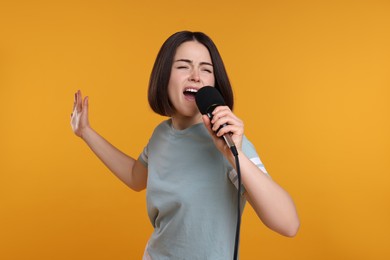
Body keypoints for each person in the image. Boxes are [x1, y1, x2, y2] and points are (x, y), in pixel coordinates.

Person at [71, 31, 299, 259]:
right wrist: (85, 132)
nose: (196, 76)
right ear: (164, 77)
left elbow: (288, 224)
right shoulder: (161, 134)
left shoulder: (230, 142)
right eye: (183, 66)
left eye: (206, 69)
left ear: (214, 82)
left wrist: (233, 154)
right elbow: (135, 176)